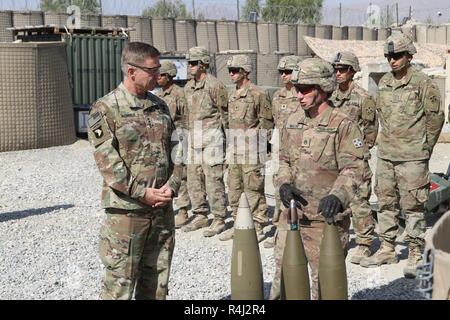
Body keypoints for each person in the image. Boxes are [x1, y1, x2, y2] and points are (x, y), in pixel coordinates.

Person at [87, 42, 182, 300]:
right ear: (131, 72)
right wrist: (142, 193)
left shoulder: (160, 106)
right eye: (152, 70)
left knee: (157, 285)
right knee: (120, 287)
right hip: (127, 214)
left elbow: (178, 151)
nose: (158, 75)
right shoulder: (105, 109)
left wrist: (173, 185)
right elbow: (108, 163)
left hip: (161, 211)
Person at [269, 57, 365, 300]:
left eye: (304, 89)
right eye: (296, 89)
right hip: (292, 218)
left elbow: (355, 168)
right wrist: (283, 184)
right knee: (284, 285)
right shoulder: (292, 121)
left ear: (322, 88)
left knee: (324, 287)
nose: (298, 95)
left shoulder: (342, 124)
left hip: (326, 222)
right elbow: (284, 161)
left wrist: (338, 195)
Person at [360, 33, 445, 278]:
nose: (392, 60)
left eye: (397, 56)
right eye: (389, 56)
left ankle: (415, 253)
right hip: (386, 155)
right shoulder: (384, 82)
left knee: (414, 207)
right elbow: (376, 116)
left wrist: (423, 149)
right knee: (386, 203)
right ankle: (387, 248)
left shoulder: (422, 83)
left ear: (409, 56)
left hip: (413, 157)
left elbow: (435, 119)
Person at [329, 51, 378, 264]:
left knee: (359, 202)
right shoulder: (330, 96)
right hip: (334, 158)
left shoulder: (363, 98)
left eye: (342, 69)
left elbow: (370, 129)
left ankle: (365, 243)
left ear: (352, 71)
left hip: (355, 159)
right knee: (338, 199)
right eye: (336, 69)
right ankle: (340, 239)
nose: (338, 73)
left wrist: (358, 153)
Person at [219, 54, 274, 242]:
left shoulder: (258, 94)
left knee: (253, 189)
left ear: (245, 72)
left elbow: (267, 123)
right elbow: (228, 121)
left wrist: (260, 146)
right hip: (235, 150)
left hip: (252, 150)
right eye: (230, 71)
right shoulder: (232, 94)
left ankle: (258, 226)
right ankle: (238, 224)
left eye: (235, 71)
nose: (232, 74)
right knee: (233, 188)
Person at [182, 46, 229, 237]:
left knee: (213, 181)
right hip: (194, 140)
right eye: (189, 63)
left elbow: (225, 115)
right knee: (194, 180)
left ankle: (218, 218)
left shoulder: (215, 86)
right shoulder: (188, 87)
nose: (190, 67)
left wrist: (230, 144)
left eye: (193, 63)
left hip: (212, 140)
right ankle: (200, 214)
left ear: (204, 64)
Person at [264, 55, 302, 249]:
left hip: (300, 146)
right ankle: (280, 228)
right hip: (282, 145)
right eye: (282, 72)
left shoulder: (303, 93)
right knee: (280, 185)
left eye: (288, 72)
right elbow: (273, 121)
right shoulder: (278, 96)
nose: (284, 76)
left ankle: (300, 228)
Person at [156, 60, 191, 228]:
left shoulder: (179, 94)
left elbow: (187, 118)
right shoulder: (158, 95)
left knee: (180, 175)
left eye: (161, 75)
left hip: (178, 138)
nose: (158, 78)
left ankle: (183, 209)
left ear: (170, 76)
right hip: (164, 139)